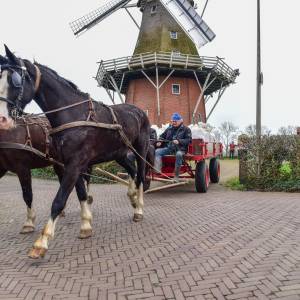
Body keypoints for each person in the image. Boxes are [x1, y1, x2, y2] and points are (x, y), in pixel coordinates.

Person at [154, 113, 192, 181]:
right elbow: (162, 136)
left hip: (181, 149)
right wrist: (160, 141)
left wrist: (179, 141)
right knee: (157, 152)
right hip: (170, 148)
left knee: (179, 154)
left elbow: (189, 140)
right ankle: (158, 171)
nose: (173, 123)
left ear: (180, 121)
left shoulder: (186, 129)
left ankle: (176, 175)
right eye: (172, 121)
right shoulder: (169, 128)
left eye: (175, 121)